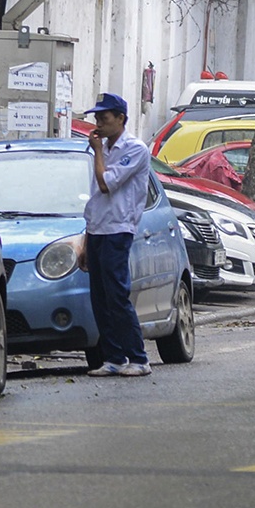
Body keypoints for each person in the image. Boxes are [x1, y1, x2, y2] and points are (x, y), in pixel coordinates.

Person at [82, 92, 153, 377]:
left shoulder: (134, 149)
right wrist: (86, 239)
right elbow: (94, 200)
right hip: (98, 228)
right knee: (99, 297)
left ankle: (138, 357)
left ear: (121, 119)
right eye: (97, 118)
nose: (99, 123)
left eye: (105, 118)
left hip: (118, 229)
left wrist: (98, 152)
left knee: (117, 295)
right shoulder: (106, 148)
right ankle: (113, 357)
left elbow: (105, 184)